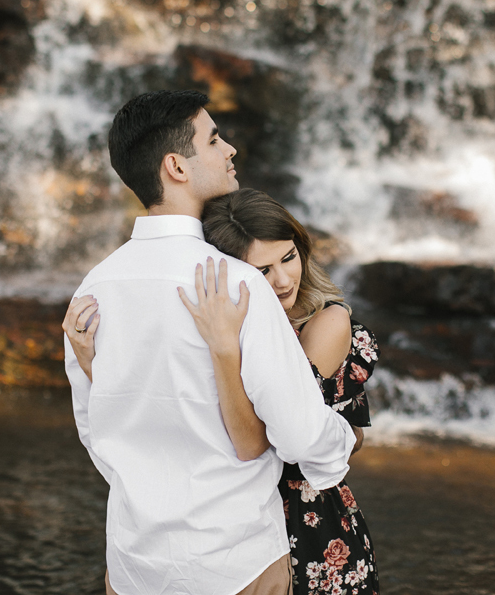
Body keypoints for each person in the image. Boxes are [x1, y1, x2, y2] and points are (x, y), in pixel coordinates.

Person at [61, 90, 356, 595]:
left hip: (134, 564)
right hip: (234, 558)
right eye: (214, 138)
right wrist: (340, 446)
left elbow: (96, 432)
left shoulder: (92, 290)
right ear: (176, 166)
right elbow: (300, 433)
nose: (230, 149)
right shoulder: (236, 285)